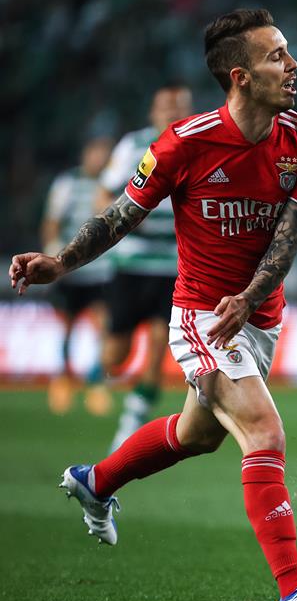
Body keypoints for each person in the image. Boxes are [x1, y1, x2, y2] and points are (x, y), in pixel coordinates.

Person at [10, 8, 297, 601]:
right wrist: (59, 263)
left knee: (197, 435)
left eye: (289, 51)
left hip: (259, 317)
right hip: (201, 316)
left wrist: (251, 298)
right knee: (265, 435)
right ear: (240, 76)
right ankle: (296, 591)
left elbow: (288, 239)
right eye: (277, 55)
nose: (293, 65)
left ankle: (95, 481)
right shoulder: (183, 144)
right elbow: (120, 217)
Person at [97, 83, 193, 451]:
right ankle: (103, 365)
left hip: (175, 266)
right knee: (115, 357)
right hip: (131, 263)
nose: (173, 114)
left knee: (159, 341)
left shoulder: (199, 146)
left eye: (179, 108)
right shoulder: (134, 146)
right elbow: (105, 192)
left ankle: (131, 421)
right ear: (154, 113)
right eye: (166, 108)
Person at [40, 137, 114, 414]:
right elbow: (52, 221)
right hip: (70, 268)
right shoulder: (67, 183)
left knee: (105, 324)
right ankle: (62, 377)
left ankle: (95, 382)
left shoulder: (109, 183)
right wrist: (52, 253)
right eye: (96, 152)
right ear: (87, 154)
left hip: (100, 269)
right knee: (68, 325)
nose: (100, 158)